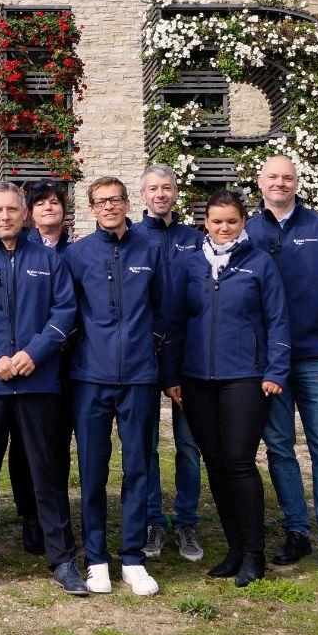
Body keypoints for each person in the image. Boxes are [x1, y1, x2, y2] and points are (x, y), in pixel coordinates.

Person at [0, 182, 85, 596]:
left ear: (24, 214)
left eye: (12, 209)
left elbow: (66, 312)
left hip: (37, 383)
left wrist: (35, 353)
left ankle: (62, 558)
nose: (5, 216)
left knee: (47, 473)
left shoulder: (48, 260)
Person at [248, 155, 318, 578]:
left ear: (298, 182)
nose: (280, 183)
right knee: (279, 447)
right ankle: (295, 530)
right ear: (260, 182)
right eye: (273, 176)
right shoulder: (248, 231)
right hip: (269, 364)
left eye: (287, 177)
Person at [64, 178, 177, 597]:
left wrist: (159, 366)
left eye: (116, 199)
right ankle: (96, 559)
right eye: (100, 201)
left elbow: (165, 312)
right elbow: (67, 314)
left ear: (128, 203)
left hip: (138, 378)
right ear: (91, 208)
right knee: (92, 471)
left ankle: (133, 558)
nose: (109, 206)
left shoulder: (149, 250)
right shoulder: (77, 254)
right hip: (90, 378)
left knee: (138, 469)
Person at [172, 190, 290, 587]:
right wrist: (171, 375)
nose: (223, 228)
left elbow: (278, 319)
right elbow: (175, 322)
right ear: (205, 221)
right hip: (196, 379)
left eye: (232, 221)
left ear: (243, 222)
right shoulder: (190, 264)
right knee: (216, 464)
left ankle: (254, 554)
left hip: (245, 376)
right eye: (216, 221)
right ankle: (234, 548)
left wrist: (276, 370)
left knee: (239, 461)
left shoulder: (259, 263)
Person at [130, 164, 206, 563]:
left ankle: (187, 520)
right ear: (142, 195)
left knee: (188, 444)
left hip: (188, 354)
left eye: (167, 188)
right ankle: (152, 518)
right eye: (153, 189)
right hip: (142, 354)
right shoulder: (131, 238)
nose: (161, 194)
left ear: (177, 193)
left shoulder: (196, 240)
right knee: (145, 445)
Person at [7, 179, 74, 555]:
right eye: (41, 203)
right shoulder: (21, 250)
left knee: (56, 444)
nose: (49, 207)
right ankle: (29, 515)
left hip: (66, 363)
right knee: (23, 445)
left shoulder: (75, 252)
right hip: (27, 364)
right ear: (29, 213)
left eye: (55, 202)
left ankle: (56, 514)